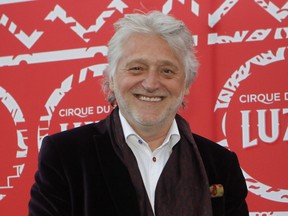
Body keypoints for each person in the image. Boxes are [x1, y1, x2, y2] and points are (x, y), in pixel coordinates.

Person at [29, 11, 249, 216]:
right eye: (136, 68)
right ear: (112, 79)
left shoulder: (221, 164)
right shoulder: (65, 155)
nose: (151, 83)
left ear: (186, 83)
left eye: (167, 71)